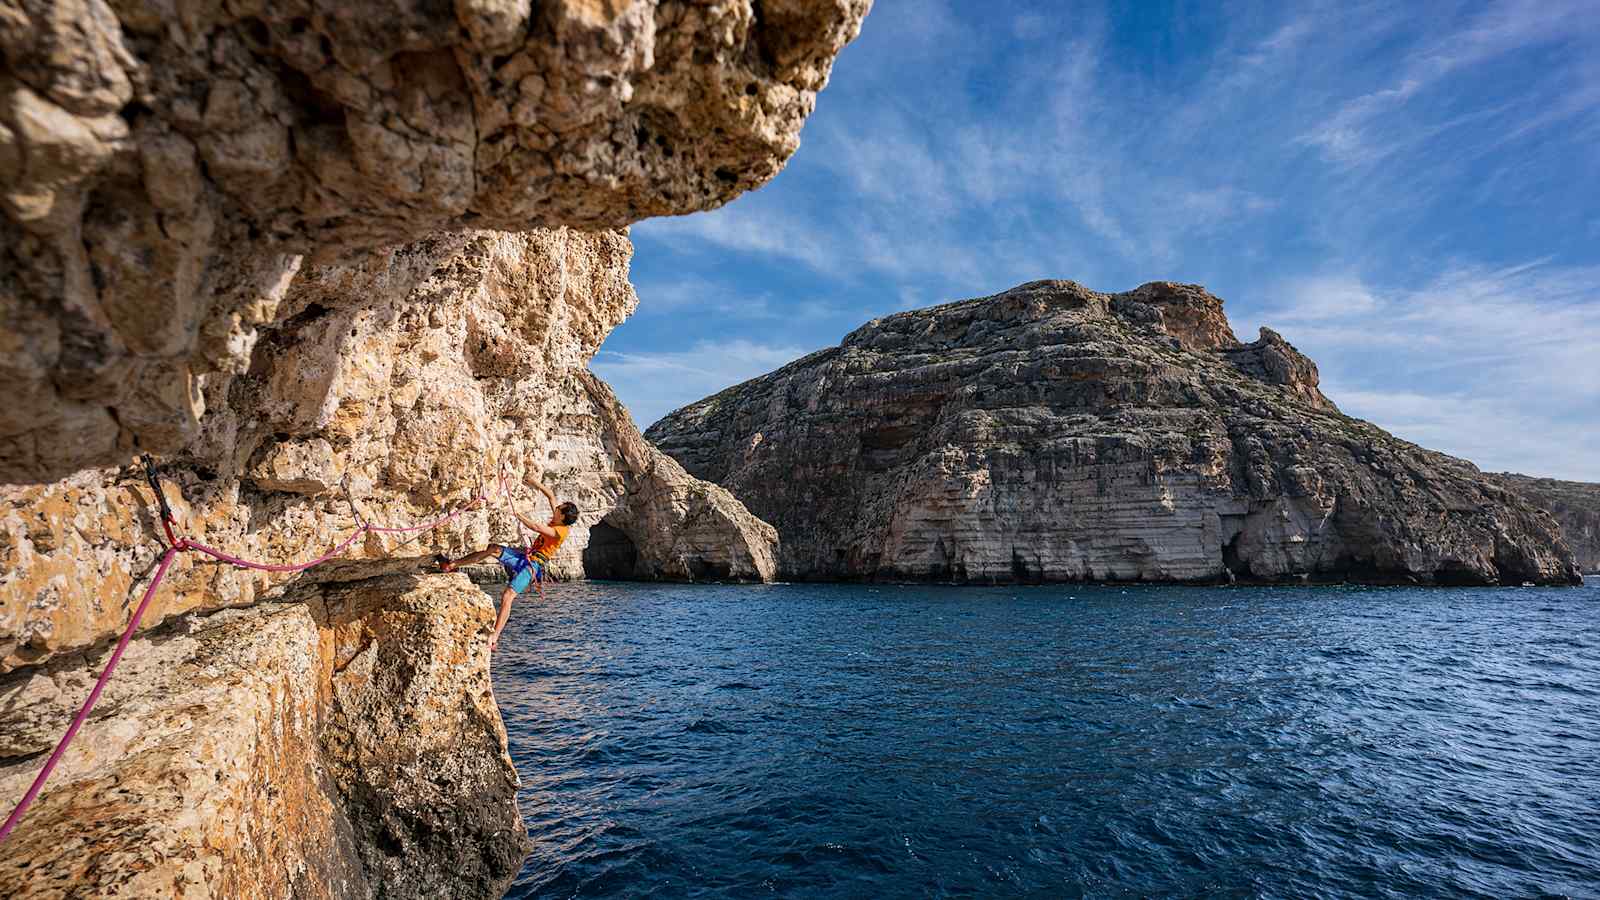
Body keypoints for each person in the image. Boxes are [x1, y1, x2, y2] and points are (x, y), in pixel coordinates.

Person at [438, 465, 579, 651]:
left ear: (562, 515)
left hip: (532, 567)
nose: (556, 507)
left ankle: (494, 638)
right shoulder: (558, 518)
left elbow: (536, 527)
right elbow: (551, 495)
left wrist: (518, 514)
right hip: (525, 557)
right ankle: (451, 565)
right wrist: (534, 482)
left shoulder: (559, 531)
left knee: (508, 596)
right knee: (493, 549)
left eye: (559, 508)